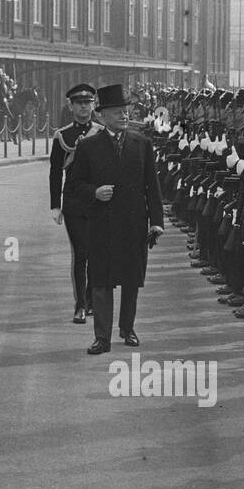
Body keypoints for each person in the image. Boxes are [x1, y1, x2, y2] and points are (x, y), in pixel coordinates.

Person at [64, 84, 164, 355]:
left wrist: (156, 221)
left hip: (133, 223)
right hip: (101, 223)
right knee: (101, 281)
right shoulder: (87, 147)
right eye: (118, 112)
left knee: (131, 279)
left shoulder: (142, 144)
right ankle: (102, 337)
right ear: (102, 116)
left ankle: (127, 328)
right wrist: (94, 192)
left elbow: (152, 188)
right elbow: (74, 184)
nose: (124, 116)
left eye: (126, 111)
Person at [49, 83, 103, 323]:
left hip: (98, 200)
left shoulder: (102, 132)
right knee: (80, 253)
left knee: (95, 251)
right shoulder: (63, 135)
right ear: (71, 106)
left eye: (88, 102)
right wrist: (55, 204)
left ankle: (91, 300)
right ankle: (80, 304)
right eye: (79, 103)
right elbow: (55, 173)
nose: (84, 107)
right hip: (73, 201)